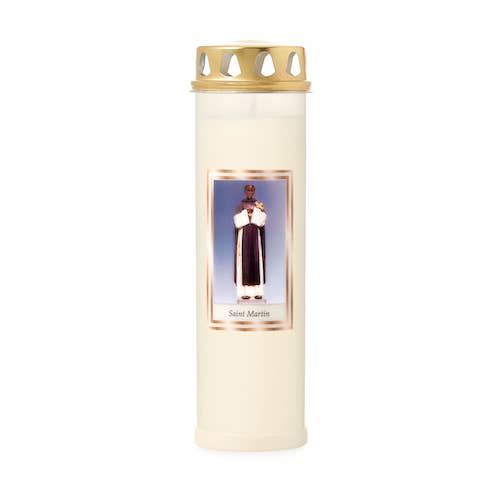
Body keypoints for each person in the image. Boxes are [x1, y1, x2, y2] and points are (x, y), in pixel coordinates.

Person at [233, 184, 266, 300]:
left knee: (256, 260)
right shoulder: (240, 205)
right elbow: (237, 220)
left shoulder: (258, 204)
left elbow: (262, 219)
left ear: (254, 191)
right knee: (244, 261)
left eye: (252, 190)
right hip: (244, 235)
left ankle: (257, 292)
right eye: (248, 190)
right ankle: (244, 292)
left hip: (255, 235)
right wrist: (247, 215)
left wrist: (253, 213)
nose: (250, 192)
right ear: (245, 191)